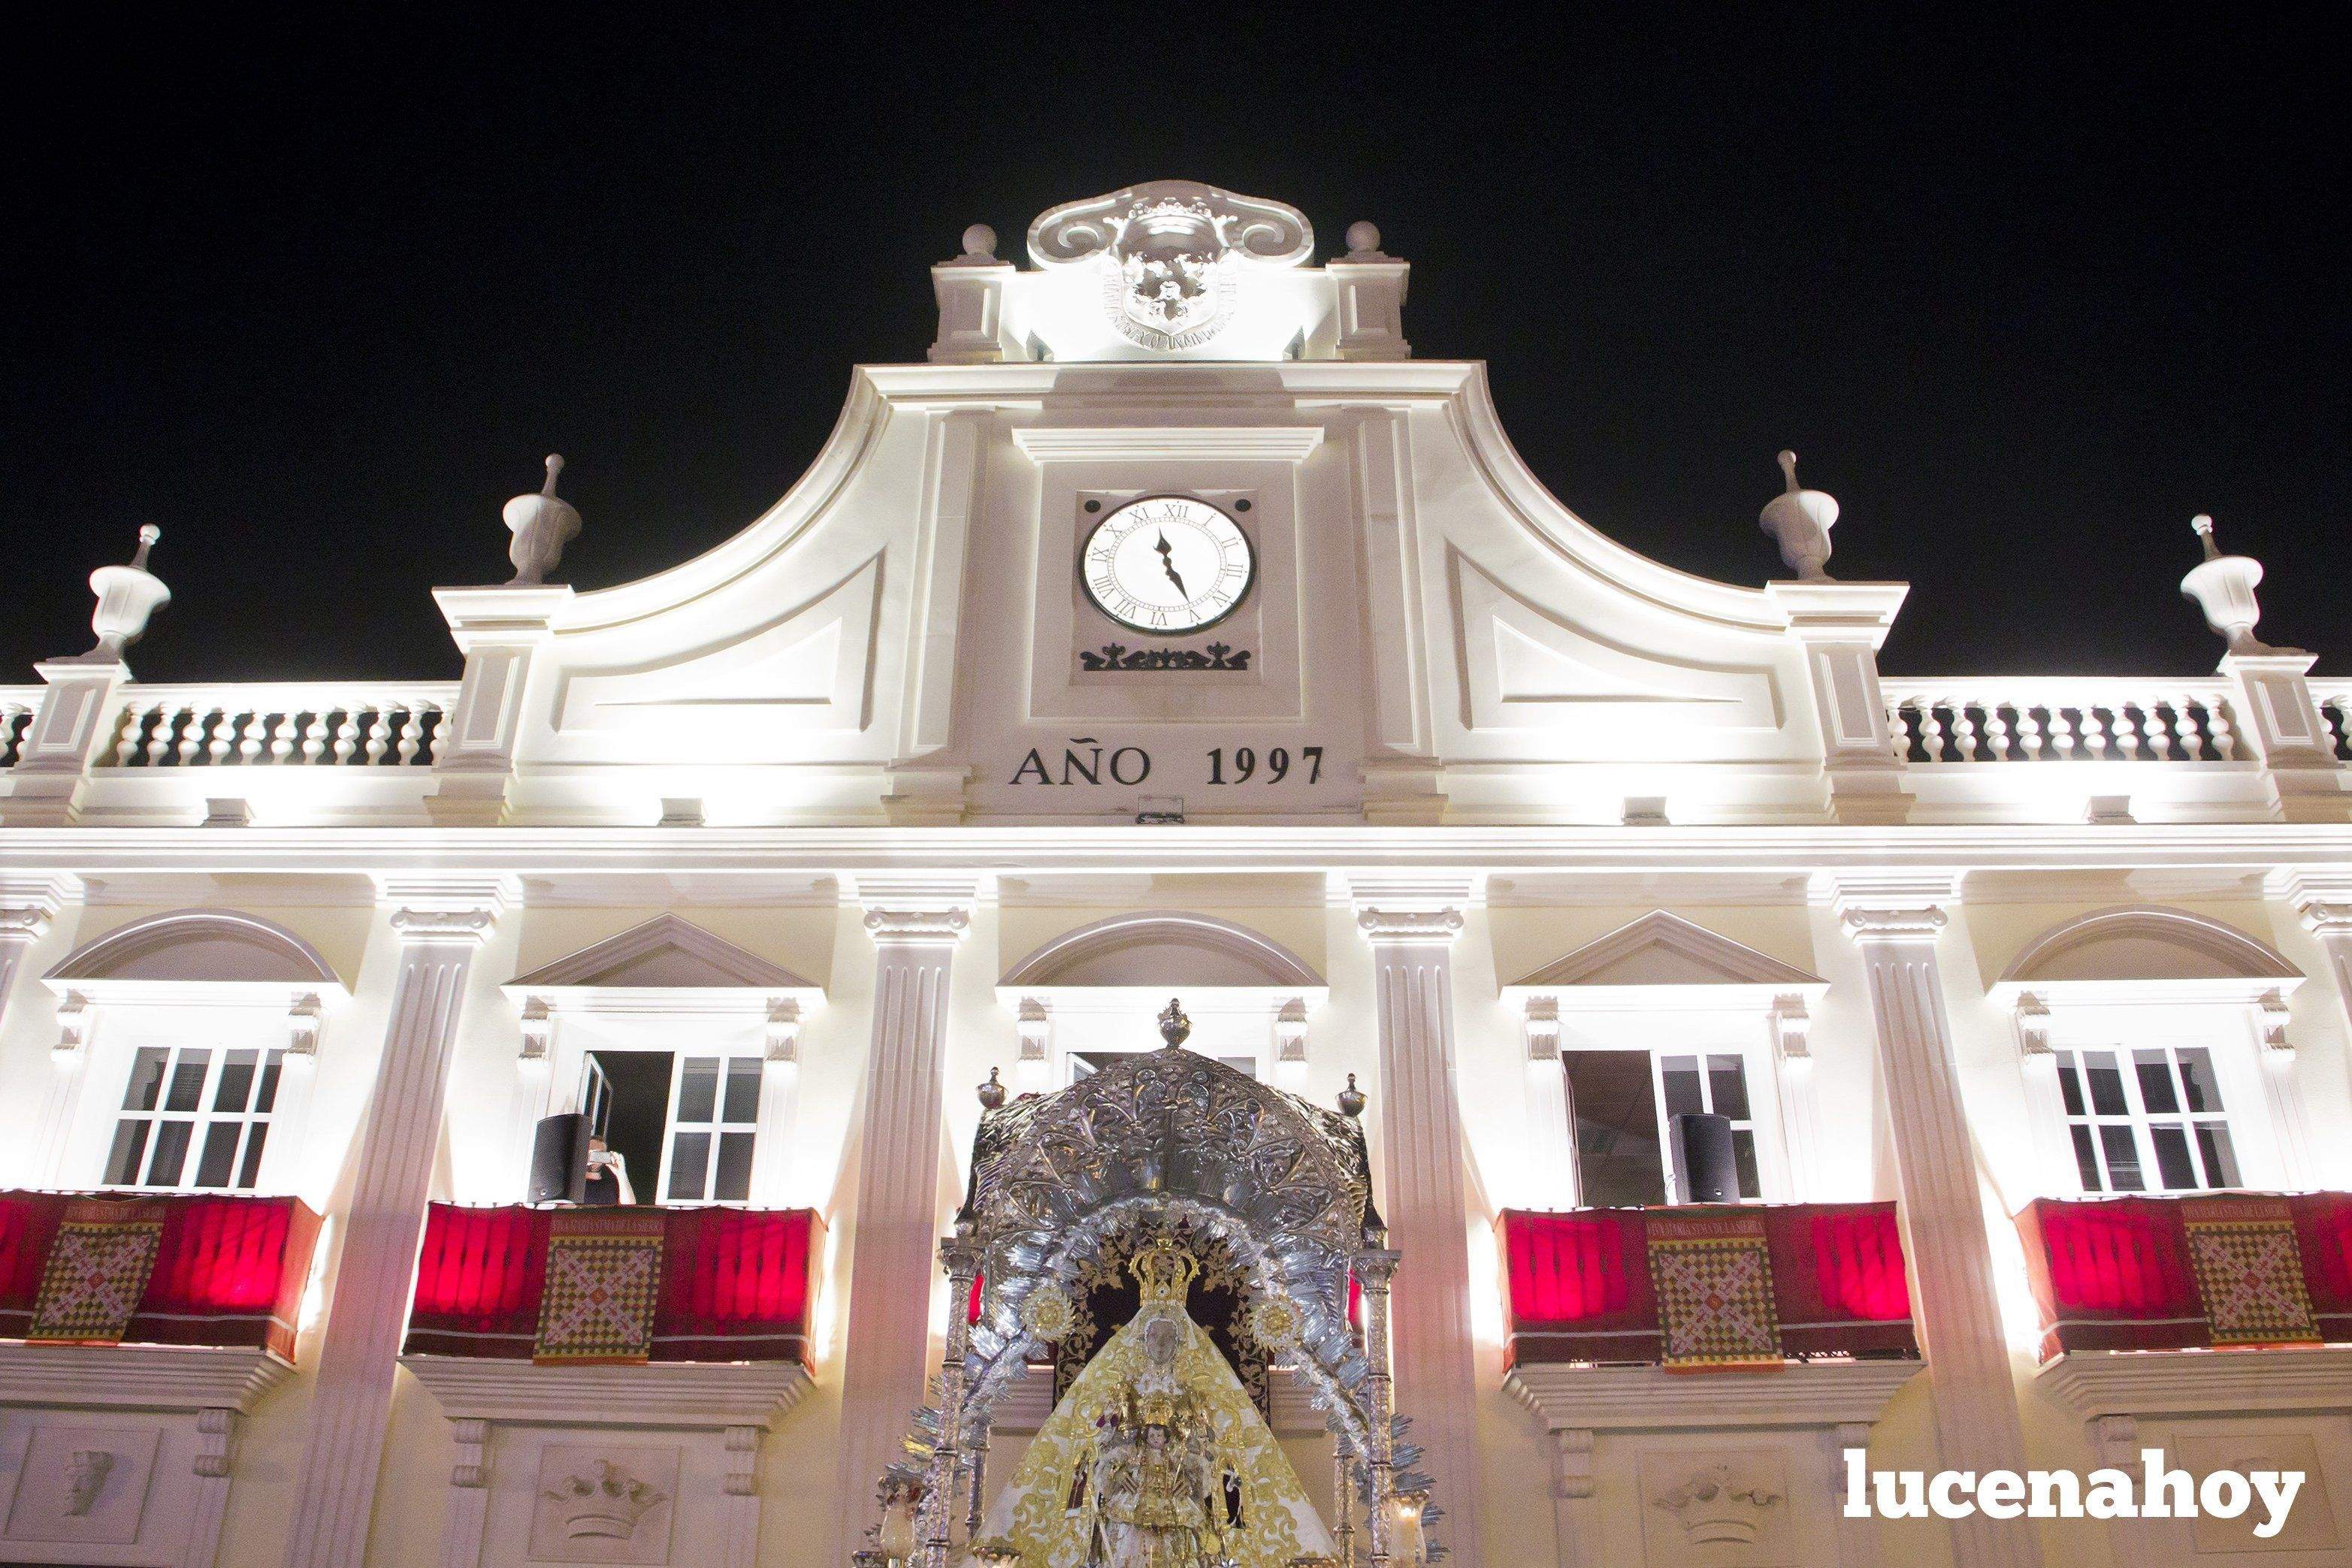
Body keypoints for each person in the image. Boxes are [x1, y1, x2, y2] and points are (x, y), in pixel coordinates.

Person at [581, 1135, 636, 1205]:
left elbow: (630, 1207)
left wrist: (621, 1173)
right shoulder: (573, 1183)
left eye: (600, 1154)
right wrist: (584, 1162)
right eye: (592, 1153)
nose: (595, 1158)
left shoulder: (612, 1184)